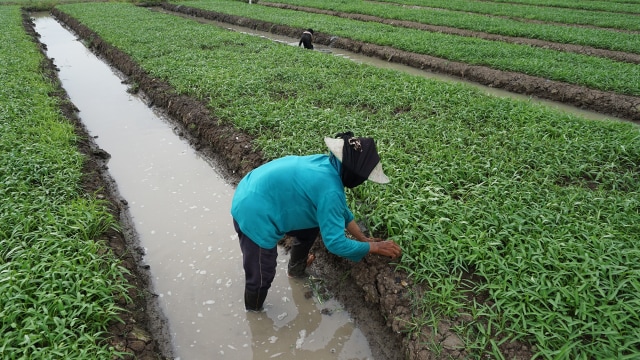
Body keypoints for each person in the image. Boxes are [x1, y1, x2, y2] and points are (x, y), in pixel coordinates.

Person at [231, 132, 402, 311]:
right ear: (355, 175)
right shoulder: (331, 191)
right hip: (252, 212)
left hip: (252, 189)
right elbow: (335, 243)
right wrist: (373, 248)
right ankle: (254, 314)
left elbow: (340, 210)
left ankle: (295, 269)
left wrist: (362, 238)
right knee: (261, 275)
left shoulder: (326, 165)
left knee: (311, 226)